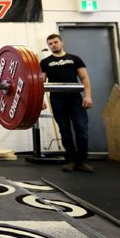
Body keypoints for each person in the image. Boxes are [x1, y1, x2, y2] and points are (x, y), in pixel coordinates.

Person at [40, 34, 93, 173]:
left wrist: (87, 96)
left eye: (55, 42)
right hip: (57, 100)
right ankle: (70, 160)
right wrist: (41, 99)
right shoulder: (45, 62)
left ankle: (83, 161)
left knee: (81, 129)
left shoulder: (74, 59)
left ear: (62, 42)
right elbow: (41, 83)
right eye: (50, 43)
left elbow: (84, 78)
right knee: (65, 130)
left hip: (75, 98)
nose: (53, 45)